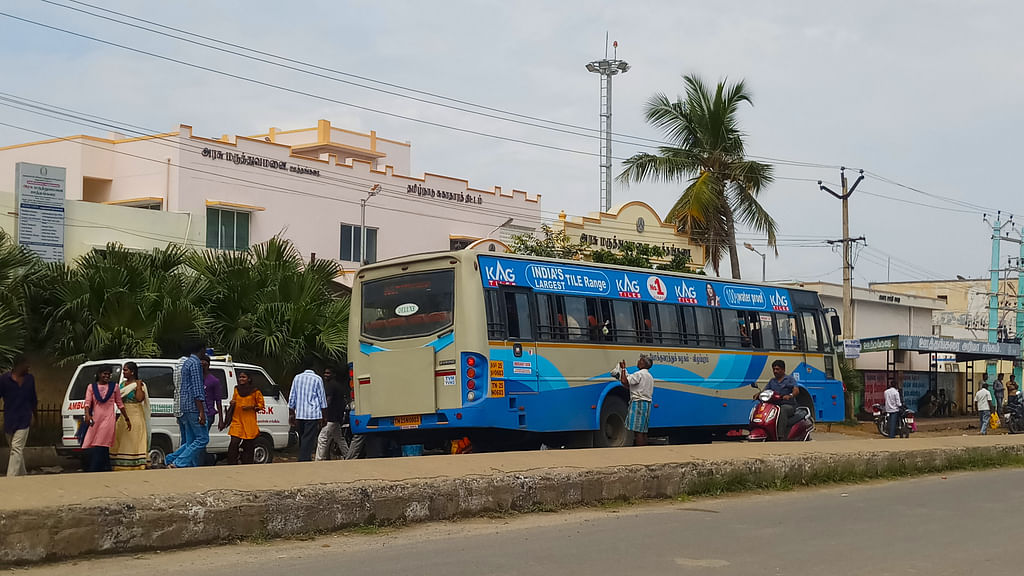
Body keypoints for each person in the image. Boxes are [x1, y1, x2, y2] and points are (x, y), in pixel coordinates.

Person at [164, 341, 207, 468]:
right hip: (193, 406)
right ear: (201, 349)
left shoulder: (184, 364)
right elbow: (197, 388)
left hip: (183, 406)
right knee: (202, 439)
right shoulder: (195, 363)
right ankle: (178, 462)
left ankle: (171, 458)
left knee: (190, 440)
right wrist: (201, 411)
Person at [82, 365, 131, 472]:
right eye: (105, 374)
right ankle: (106, 468)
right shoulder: (91, 387)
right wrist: (87, 414)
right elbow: (87, 403)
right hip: (96, 420)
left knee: (101, 443)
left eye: (109, 374)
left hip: (108, 419)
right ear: (99, 374)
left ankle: (94, 469)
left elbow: (120, 404)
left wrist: (127, 418)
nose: (107, 376)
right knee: (99, 444)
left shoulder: (114, 387)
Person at [0, 356, 37, 477]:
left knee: (16, 448)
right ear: (19, 365)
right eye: (26, 364)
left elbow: (33, 399)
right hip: (10, 419)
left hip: (24, 419)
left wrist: (35, 416)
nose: (28, 367)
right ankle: (23, 475)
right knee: (16, 451)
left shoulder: (30, 379)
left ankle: (10, 478)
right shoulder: (4, 379)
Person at [110, 361, 150, 471]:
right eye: (123, 370)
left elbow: (139, 399)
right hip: (124, 415)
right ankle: (120, 465)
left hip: (136, 415)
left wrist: (137, 386)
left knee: (133, 438)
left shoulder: (140, 384)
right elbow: (117, 399)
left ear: (132, 372)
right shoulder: (122, 385)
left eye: (125, 370)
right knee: (122, 438)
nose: (123, 372)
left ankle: (136, 464)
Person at [221, 370, 264, 465]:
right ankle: (232, 464)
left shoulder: (255, 391)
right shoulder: (236, 389)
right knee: (234, 442)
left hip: (249, 421)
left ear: (249, 379)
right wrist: (232, 403)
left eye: (243, 377)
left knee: (248, 445)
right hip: (237, 420)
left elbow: (261, 405)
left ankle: (246, 464)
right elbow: (234, 400)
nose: (241, 379)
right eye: (240, 377)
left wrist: (251, 407)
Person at [289, 359, 327, 462]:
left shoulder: (297, 378)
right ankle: (303, 460)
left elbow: (292, 397)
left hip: (300, 414)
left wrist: (291, 414)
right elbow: (322, 399)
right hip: (312, 414)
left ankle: (305, 458)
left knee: (302, 438)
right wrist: (324, 416)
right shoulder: (317, 379)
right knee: (308, 439)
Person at [617, 354, 654, 446]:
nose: (638, 362)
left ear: (643, 364)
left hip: (638, 403)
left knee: (638, 431)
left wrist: (623, 369)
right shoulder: (649, 376)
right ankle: (644, 450)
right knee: (643, 430)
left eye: (640, 360)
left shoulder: (639, 374)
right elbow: (631, 386)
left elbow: (624, 381)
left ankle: (640, 451)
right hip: (647, 403)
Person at [316, 367, 349, 461]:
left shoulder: (330, 386)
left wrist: (323, 414)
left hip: (330, 417)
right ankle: (348, 455)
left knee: (322, 437)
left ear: (333, 374)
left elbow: (328, 400)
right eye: (325, 373)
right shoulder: (338, 386)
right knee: (339, 438)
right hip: (337, 417)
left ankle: (319, 460)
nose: (326, 375)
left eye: (328, 373)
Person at [763, 359, 800, 437]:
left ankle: (781, 435)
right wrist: (758, 394)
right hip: (775, 405)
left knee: (782, 410)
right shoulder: (772, 381)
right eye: (774, 369)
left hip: (788, 405)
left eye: (777, 369)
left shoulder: (790, 379)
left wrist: (790, 395)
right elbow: (765, 390)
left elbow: (796, 390)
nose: (775, 371)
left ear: (783, 370)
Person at [199, 354, 224, 466]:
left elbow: (218, 400)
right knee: (199, 439)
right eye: (201, 364)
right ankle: (205, 461)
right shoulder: (196, 379)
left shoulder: (214, 381)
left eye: (205, 364)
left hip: (208, 413)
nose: (203, 366)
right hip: (196, 412)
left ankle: (205, 462)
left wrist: (221, 419)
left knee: (201, 438)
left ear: (208, 365)